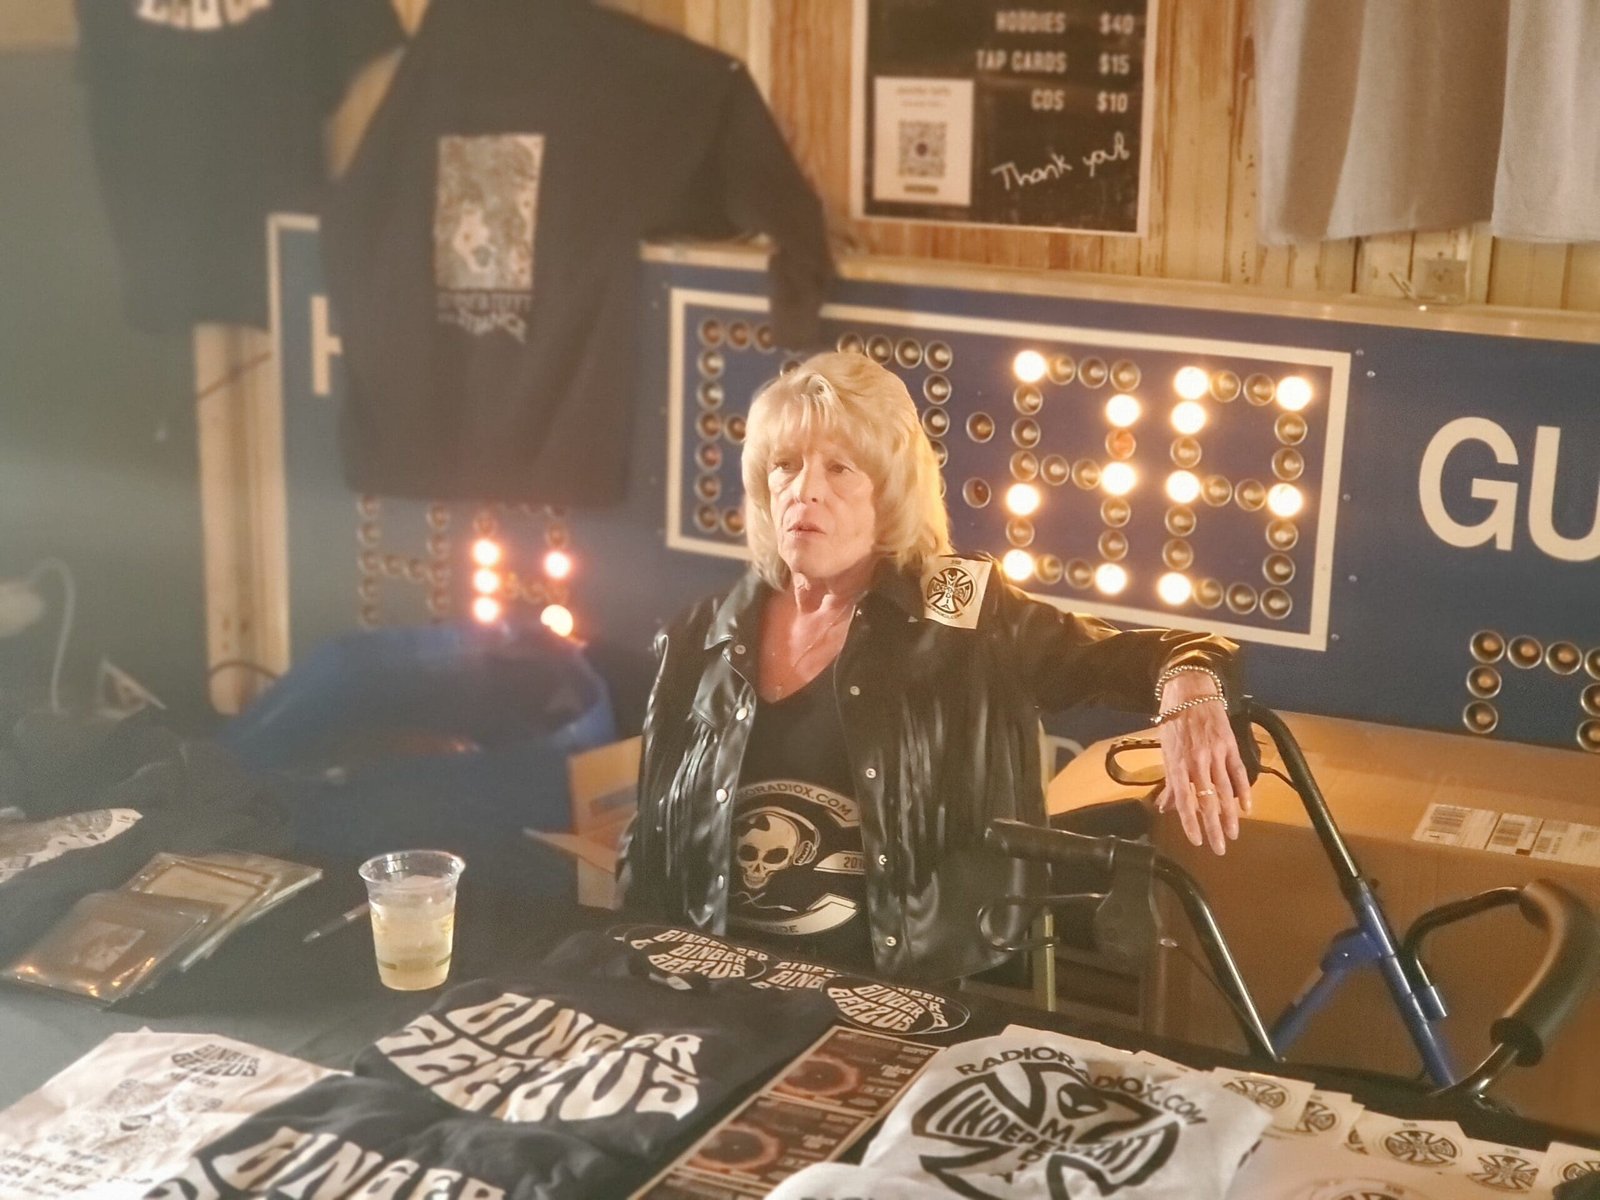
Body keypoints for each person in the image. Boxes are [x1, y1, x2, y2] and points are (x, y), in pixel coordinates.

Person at [618, 352, 1252, 983]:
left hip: (896, 986)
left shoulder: (961, 606)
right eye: (785, 464)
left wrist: (1191, 686)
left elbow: (1148, 654)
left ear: (892, 493)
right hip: (713, 978)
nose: (804, 489)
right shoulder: (702, 633)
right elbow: (651, 839)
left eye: (839, 467)